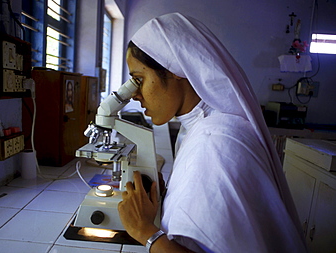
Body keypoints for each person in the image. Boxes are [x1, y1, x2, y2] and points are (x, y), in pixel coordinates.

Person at [117, 13, 307, 253]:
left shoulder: (214, 142)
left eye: (139, 79)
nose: (135, 94)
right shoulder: (204, 127)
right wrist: (173, 194)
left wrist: (144, 231)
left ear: (175, 67)